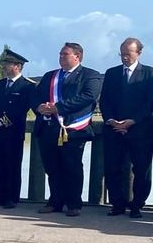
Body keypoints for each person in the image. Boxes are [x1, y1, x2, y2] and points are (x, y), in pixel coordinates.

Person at [32, 42, 103, 217]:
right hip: (49, 129)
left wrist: (59, 107)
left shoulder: (90, 75)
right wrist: (39, 107)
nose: (61, 57)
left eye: (65, 54)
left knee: (72, 168)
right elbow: (35, 96)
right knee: (52, 167)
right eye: (60, 54)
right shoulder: (50, 76)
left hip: (73, 130)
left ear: (77, 56)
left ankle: (73, 203)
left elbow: (88, 97)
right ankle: (55, 201)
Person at [100, 37, 153, 218]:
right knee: (112, 168)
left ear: (138, 53)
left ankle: (137, 205)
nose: (124, 57)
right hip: (114, 129)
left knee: (142, 170)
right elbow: (104, 100)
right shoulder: (112, 73)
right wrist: (112, 120)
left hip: (140, 131)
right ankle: (117, 204)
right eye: (122, 54)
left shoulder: (149, 74)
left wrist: (132, 121)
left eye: (128, 54)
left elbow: (149, 103)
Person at [0, 48, 35, 209]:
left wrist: (2, 121)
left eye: (7, 64)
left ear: (17, 66)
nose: (4, 67)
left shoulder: (27, 86)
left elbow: (20, 110)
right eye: (4, 63)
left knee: (12, 165)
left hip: (13, 133)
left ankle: (12, 197)